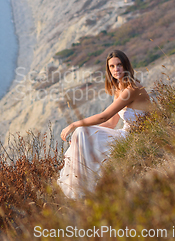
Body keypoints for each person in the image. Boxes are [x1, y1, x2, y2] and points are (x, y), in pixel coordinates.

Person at [57, 50, 151, 199]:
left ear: (125, 65)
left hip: (138, 136)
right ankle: (82, 190)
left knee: (80, 131)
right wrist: (84, 135)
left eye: (119, 65)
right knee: (81, 134)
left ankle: (85, 191)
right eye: (112, 67)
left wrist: (74, 124)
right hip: (125, 133)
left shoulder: (132, 89)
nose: (116, 69)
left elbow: (103, 116)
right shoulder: (119, 89)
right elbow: (111, 123)